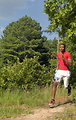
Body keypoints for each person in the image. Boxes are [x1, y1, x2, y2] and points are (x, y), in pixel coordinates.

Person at [49, 43, 72, 107]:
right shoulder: (58, 54)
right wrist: (57, 67)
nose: (61, 48)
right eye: (60, 47)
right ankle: (52, 99)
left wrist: (64, 59)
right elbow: (59, 61)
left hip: (66, 71)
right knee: (55, 83)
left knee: (65, 86)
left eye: (62, 47)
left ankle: (69, 88)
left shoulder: (68, 54)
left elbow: (70, 63)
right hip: (59, 71)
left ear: (65, 48)